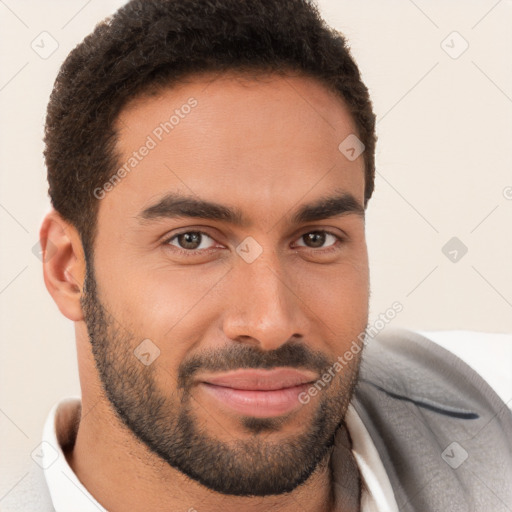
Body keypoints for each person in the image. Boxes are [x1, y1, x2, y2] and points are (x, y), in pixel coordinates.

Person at [8, 0, 511, 510]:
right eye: (192, 241)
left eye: (316, 239)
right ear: (67, 268)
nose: (270, 323)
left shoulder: (497, 399)